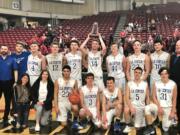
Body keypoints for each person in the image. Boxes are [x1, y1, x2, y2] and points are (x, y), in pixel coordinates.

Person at [145, 67, 177, 134]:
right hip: (158, 106)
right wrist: (159, 107)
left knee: (165, 129)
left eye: (165, 74)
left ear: (168, 74)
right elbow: (153, 96)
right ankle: (150, 127)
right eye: (162, 74)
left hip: (168, 107)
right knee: (147, 108)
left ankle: (163, 121)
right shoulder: (156, 83)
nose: (164, 75)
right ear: (160, 75)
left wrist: (173, 112)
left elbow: (174, 99)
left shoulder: (173, 84)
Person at [123, 67, 152, 134]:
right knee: (126, 109)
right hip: (133, 106)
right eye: (136, 72)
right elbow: (127, 97)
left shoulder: (145, 84)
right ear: (133, 73)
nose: (137, 74)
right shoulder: (129, 83)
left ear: (141, 74)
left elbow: (147, 97)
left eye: (139, 73)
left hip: (141, 106)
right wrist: (131, 107)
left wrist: (147, 108)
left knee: (138, 128)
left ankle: (144, 123)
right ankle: (128, 125)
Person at [0, 45, 18, 127]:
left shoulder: (12, 59)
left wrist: (16, 81)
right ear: (0, 50)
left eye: (5, 49)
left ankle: (5, 118)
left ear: (8, 50)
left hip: (9, 82)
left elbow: (15, 71)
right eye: (2, 49)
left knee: (8, 101)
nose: (4, 50)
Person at [169, 40, 180, 131]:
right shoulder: (172, 57)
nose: (177, 47)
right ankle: (174, 119)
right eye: (176, 45)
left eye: (179, 46)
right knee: (173, 103)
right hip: (172, 84)